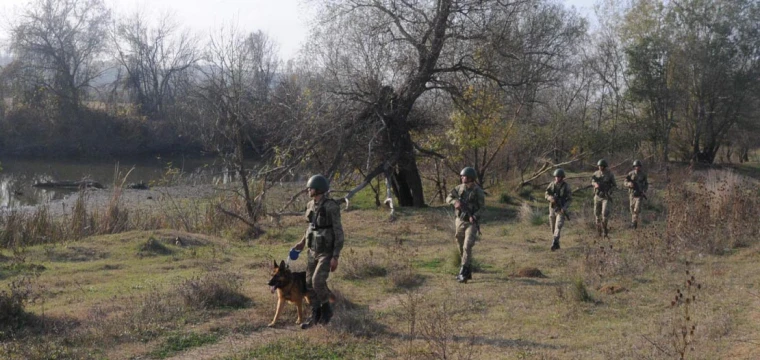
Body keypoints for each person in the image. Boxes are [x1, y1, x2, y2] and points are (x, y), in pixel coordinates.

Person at [293, 174, 344, 329]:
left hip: (326, 252)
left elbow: (338, 232)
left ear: (319, 189)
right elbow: (311, 227)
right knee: (308, 283)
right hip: (312, 249)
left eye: (311, 188)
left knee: (317, 281)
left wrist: (335, 256)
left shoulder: (331, 206)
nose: (308, 190)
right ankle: (315, 315)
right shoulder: (310, 205)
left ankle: (327, 311)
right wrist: (302, 243)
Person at [446, 167, 485, 283]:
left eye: (464, 176)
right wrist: (455, 202)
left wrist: (475, 216)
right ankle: (467, 270)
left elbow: (483, 208)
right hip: (460, 220)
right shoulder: (459, 188)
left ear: (470, 178)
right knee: (460, 243)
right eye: (462, 176)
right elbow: (448, 197)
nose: (462, 178)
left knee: (467, 246)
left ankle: (463, 272)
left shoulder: (478, 191)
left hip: (471, 223)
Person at [545, 168, 572, 251]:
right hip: (552, 208)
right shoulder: (551, 185)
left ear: (562, 177)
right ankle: (557, 243)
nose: (557, 178)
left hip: (561, 209)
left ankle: (554, 242)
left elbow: (570, 199)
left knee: (558, 225)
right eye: (556, 176)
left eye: (559, 177)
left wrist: (564, 207)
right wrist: (550, 198)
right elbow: (546, 194)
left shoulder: (566, 186)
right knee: (553, 227)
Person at [591, 159, 617, 237]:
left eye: (602, 166)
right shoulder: (596, 173)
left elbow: (614, 185)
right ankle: (599, 232)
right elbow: (592, 181)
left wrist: (609, 191)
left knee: (605, 214)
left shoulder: (610, 174)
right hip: (597, 196)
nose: (600, 167)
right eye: (599, 166)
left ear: (605, 166)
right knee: (596, 214)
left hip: (606, 197)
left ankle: (605, 230)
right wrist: (595, 184)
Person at [624, 160, 649, 229]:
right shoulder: (630, 174)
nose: (637, 168)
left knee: (636, 209)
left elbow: (646, 184)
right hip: (632, 194)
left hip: (639, 194)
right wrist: (629, 184)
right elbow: (625, 181)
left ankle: (634, 224)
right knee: (632, 208)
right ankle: (634, 222)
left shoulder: (643, 175)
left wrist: (644, 190)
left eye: (638, 166)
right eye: (636, 166)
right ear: (634, 167)